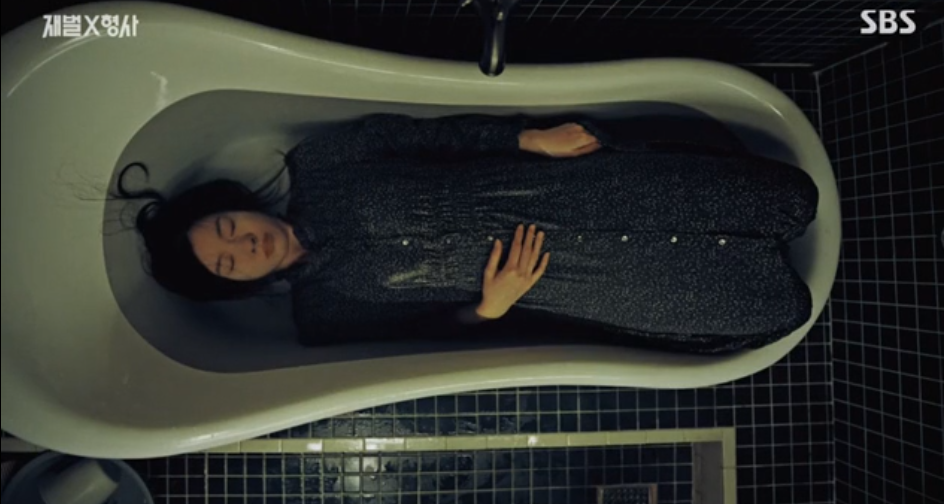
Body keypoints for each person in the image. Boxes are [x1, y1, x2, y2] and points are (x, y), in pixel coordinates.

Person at [116, 113, 818, 353]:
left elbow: (434, 137)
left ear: (234, 204)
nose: (245, 246)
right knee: (781, 309)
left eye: (228, 228)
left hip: (566, 190)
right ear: (236, 285)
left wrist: (526, 139)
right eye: (228, 264)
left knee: (793, 197)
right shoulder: (323, 317)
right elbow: (424, 336)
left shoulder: (323, 162)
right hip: (570, 281)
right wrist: (489, 308)